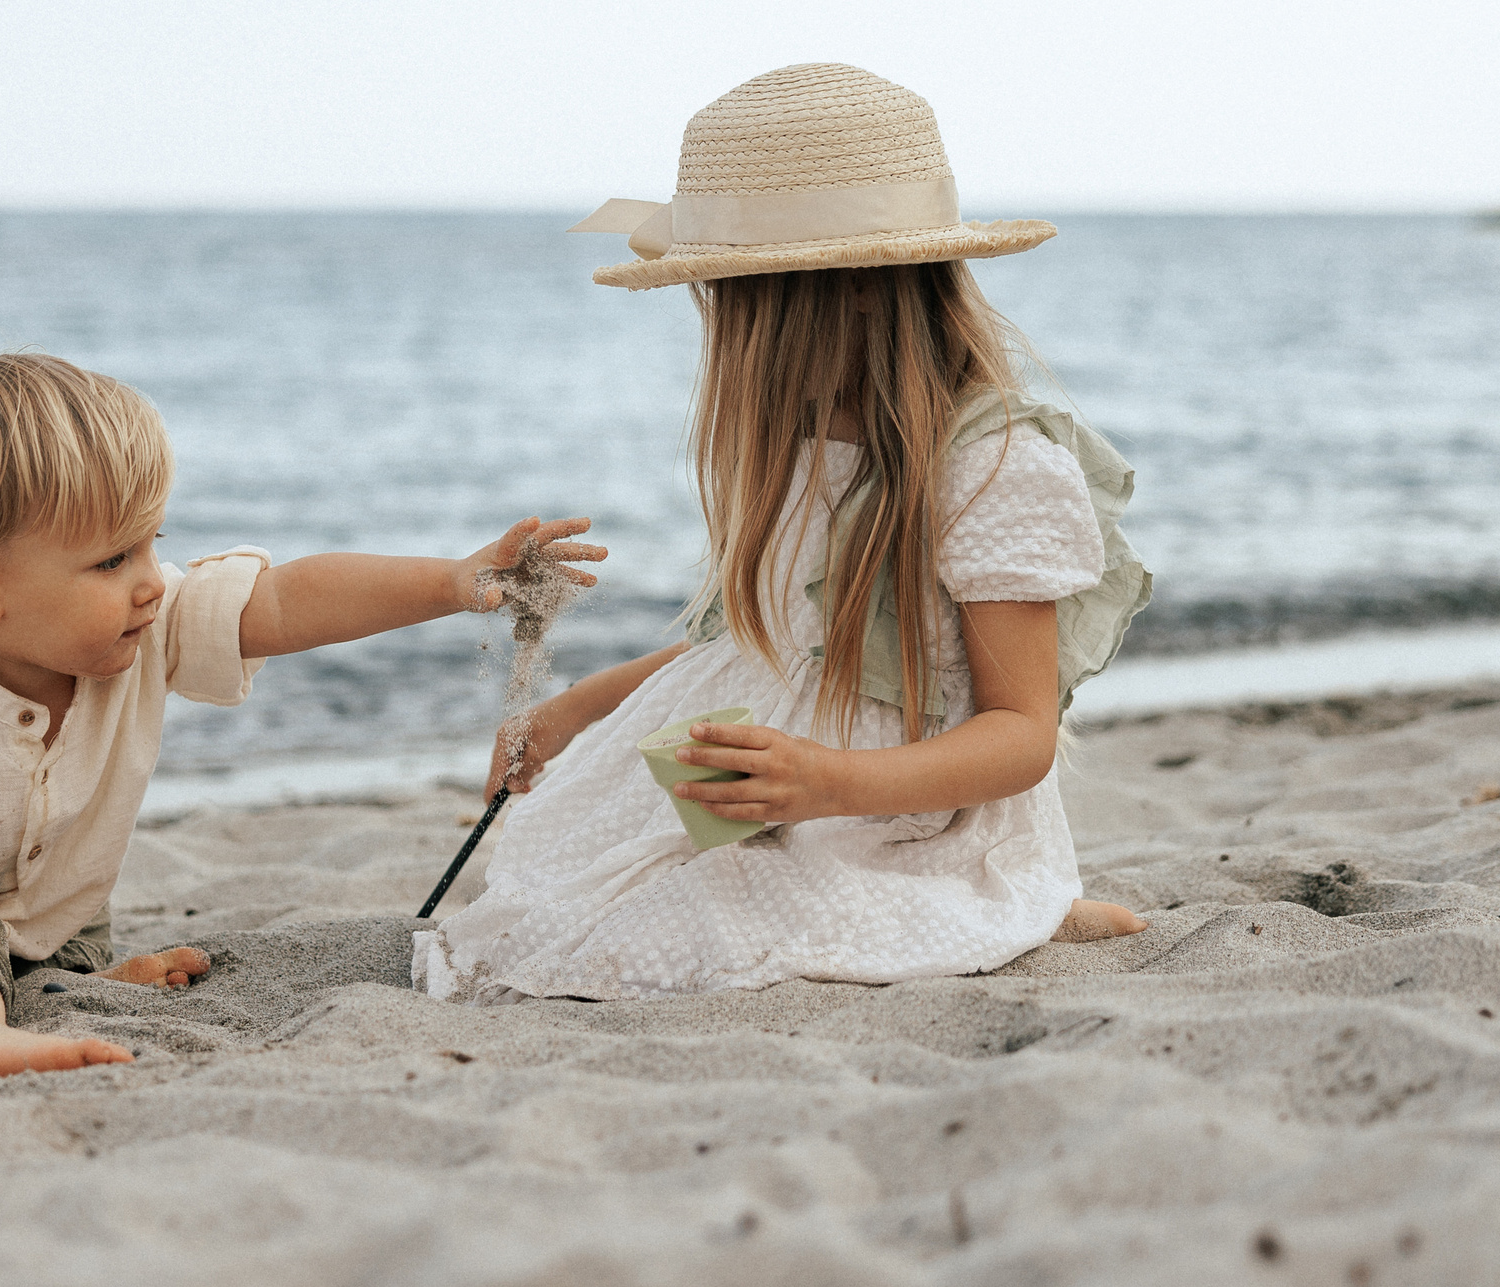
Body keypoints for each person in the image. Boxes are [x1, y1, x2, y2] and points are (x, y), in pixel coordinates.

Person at [415, 63, 1152, 1005]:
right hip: (787, 791)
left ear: (840, 296)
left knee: (702, 925)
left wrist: (827, 782)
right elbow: (758, 650)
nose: (723, 331)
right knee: (562, 905)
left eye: (737, 299)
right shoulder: (807, 446)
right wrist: (578, 706)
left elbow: (1019, 736)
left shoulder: (990, 465)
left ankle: (1014, 903)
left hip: (896, 810)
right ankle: (1004, 915)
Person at [0, 350, 601, 1077]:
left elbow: (282, 603)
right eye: (112, 562)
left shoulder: (132, 628)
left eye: (153, 545)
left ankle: (41, 985)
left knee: (46, 916)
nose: (153, 584)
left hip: (5, 916)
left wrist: (452, 581)